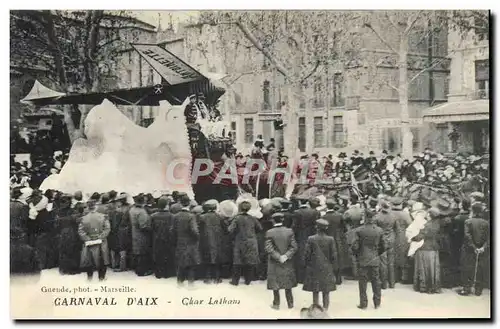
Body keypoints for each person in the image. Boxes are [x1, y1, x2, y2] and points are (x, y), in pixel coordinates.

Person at [352, 209, 385, 310]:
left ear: (365, 217)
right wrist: (377, 254)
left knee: (362, 283)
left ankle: (363, 303)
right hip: (374, 258)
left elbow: (355, 247)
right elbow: (383, 246)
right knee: (376, 281)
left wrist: (357, 255)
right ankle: (377, 303)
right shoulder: (379, 230)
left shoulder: (359, 230)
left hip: (363, 259)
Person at [302, 219, 338, 311]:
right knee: (326, 289)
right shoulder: (330, 239)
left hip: (314, 266)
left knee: (315, 289)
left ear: (317, 227)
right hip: (327, 267)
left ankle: (316, 308)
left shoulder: (311, 239)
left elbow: (307, 254)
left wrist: (307, 264)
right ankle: (325, 308)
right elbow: (334, 255)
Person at [265, 212, 298, 310]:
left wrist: (278, 257)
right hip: (287, 260)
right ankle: (290, 303)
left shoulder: (269, 232)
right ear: (282, 220)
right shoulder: (289, 231)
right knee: (288, 282)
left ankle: (276, 304)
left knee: (275, 283)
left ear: (273, 220)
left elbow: (269, 248)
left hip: (275, 261)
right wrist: (286, 256)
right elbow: (294, 246)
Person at [458, 202, 489, 296]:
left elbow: (467, 236)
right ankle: (478, 289)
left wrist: (474, 247)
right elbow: (489, 237)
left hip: (468, 248)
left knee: (467, 267)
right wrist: (483, 247)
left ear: (473, 211)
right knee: (480, 268)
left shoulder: (468, 221)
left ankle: (466, 288)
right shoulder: (486, 222)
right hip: (482, 249)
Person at [229, 200, 262, 285]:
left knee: (238, 261)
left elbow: (230, 230)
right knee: (250, 261)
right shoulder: (253, 218)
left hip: (240, 241)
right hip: (251, 241)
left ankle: (235, 281)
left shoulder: (237, 218)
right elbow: (260, 228)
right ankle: (248, 280)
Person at [78, 200, 111, 281]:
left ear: (88, 208)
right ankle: (101, 277)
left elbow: (80, 231)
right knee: (102, 259)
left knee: (89, 261)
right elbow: (107, 228)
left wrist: (87, 238)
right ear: (96, 207)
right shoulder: (103, 216)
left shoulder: (84, 218)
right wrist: (100, 237)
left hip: (89, 242)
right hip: (101, 242)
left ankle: (89, 278)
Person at [411, 207, 442, 294]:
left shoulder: (427, 225)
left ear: (430, 215)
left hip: (425, 248)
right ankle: (434, 286)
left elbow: (420, 236)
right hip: (434, 248)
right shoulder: (438, 224)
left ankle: (424, 286)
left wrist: (412, 238)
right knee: (433, 268)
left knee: (424, 267)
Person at [172, 195, 201, 285]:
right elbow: (194, 230)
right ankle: (190, 283)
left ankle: (179, 282)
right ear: (189, 203)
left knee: (181, 264)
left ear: (180, 203)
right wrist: (197, 238)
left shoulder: (175, 216)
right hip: (190, 243)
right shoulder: (191, 216)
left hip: (180, 242)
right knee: (191, 264)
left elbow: (172, 230)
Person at [292, 197, 320, 283]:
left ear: (300, 202)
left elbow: (294, 226)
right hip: (312, 233)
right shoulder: (315, 212)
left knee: (301, 255)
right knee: (312, 254)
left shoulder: (297, 212)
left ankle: (300, 277)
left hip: (301, 235)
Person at [199, 200, 224, 284]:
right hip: (218, 240)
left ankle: (207, 278)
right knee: (217, 259)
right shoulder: (220, 217)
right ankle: (217, 278)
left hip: (206, 240)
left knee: (207, 258)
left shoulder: (202, 217)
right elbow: (226, 228)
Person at [323, 199, 347, 285]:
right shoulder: (339, 216)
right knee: (338, 258)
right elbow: (344, 228)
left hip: (327, 238)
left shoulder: (324, 217)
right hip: (337, 238)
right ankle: (338, 278)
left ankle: (329, 277)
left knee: (328, 257)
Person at [375, 200, 398, 289]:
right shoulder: (393, 216)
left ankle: (384, 284)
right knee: (391, 262)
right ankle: (392, 283)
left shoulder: (377, 217)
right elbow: (397, 228)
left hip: (381, 240)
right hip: (391, 239)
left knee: (383, 263)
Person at [151, 197, 175, 279]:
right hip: (168, 238)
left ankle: (158, 273)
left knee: (158, 255)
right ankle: (167, 273)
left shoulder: (153, 216)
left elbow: (151, 227)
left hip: (157, 238)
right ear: (166, 205)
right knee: (168, 255)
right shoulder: (172, 216)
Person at [129, 194, 153, 277]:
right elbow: (143, 226)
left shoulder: (132, 209)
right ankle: (142, 271)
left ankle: (136, 269)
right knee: (142, 252)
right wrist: (151, 229)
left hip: (134, 233)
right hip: (142, 235)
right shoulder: (141, 212)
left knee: (137, 252)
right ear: (143, 201)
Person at [391, 197, 413, 284]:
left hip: (392, 235)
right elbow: (410, 225)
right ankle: (404, 277)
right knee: (403, 255)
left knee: (393, 256)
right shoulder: (405, 214)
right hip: (403, 236)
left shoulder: (390, 213)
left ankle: (394, 276)